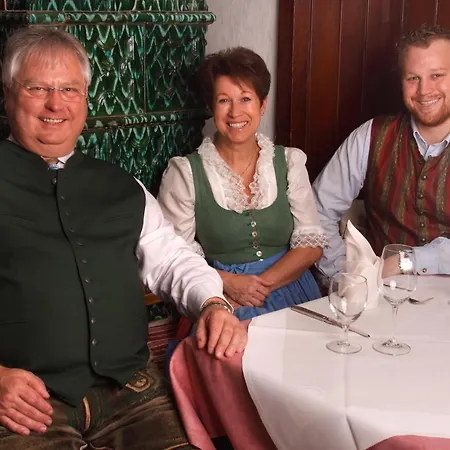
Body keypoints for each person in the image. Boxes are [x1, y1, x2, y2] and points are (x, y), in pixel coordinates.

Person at [0, 27, 247, 450]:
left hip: (131, 392)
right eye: (37, 88)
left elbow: (172, 259)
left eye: (69, 89)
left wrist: (212, 303)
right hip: (24, 400)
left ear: (85, 99)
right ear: (7, 94)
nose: (55, 103)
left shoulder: (122, 186)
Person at [158, 47, 327, 321]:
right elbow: (175, 257)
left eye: (245, 99)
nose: (235, 112)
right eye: (224, 100)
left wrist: (260, 286)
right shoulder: (185, 173)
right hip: (225, 297)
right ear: (212, 107)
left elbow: (311, 246)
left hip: (292, 289)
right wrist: (228, 283)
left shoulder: (289, 162)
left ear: (262, 104)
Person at [313, 24, 450, 278]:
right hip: (384, 291)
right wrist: (346, 275)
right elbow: (318, 212)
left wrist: (406, 262)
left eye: (437, 75)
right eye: (413, 78)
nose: (424, 91)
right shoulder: (370, 136)